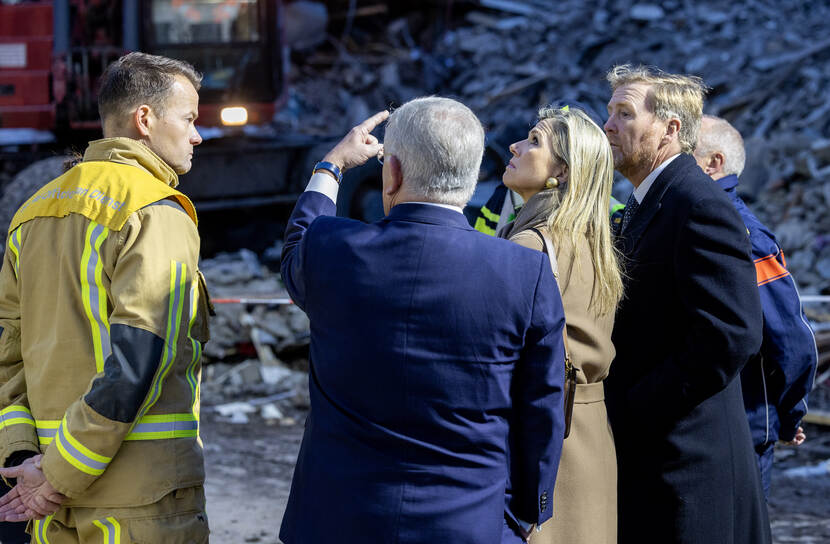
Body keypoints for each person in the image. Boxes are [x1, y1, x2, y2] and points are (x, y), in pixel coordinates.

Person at [278, 98, 567, 544]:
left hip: (338, 520)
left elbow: (299, 239)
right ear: (472, 178)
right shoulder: (523, 273)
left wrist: (331, 166)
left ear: (390, 172)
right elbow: (540, 410)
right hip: (469, 522)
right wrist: (527, 512)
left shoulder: (333, 248)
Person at [0, 52, 211, 542]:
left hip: (49, 508)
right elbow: (141, 360)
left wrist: (21, 460)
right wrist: (57, 475)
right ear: (145, 119)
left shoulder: (31, 213)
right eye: (189, 119)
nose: (197, 135)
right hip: (139, 502)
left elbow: (6, 355)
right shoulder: (156, 212)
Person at [602, 64, 770, 543]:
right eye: (609, 112)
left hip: (687, 463)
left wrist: (636, 406)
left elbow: (731, 335)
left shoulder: (697, 204)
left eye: (624, 113)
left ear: (671, 129)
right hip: (659, 457)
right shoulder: (648, 198)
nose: (609, 125)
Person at [498, 106, 622, 544]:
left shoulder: (532, 243)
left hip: (544, 440)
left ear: (562, 171)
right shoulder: (594, 238)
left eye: (534, 140)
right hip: (591, 434)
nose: (515, 146)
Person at [694, 114, 817, 498]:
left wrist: (788, 413)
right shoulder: (691, 220)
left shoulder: (744, 236)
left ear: (714, 163)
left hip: (743, 427)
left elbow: (792, 341)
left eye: (685, 150)